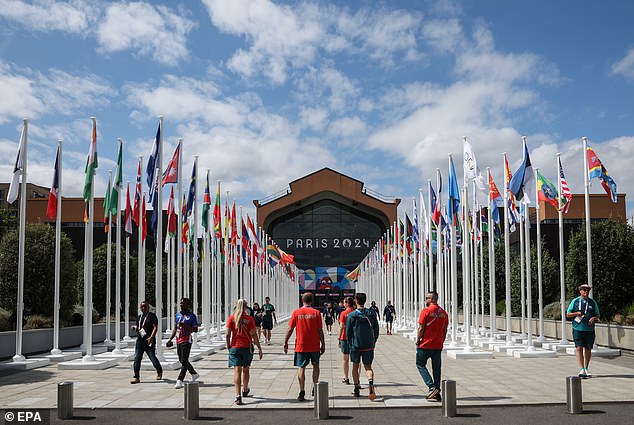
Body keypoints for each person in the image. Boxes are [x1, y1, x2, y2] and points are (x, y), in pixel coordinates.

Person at [283, 292, 325, 402]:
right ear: (312, 301)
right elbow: (320, 330)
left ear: (302, 300)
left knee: (301, 367)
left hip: (301, 345)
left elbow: (290, 329)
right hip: (314, 345)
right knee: (316, 366)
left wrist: (286, 342)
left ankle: (302, 391)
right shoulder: (316, 313)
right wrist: (323, 344)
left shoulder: (296, 313)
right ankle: (315, 387)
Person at [226, 299, 263, 405]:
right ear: (245, 307)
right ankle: (245, 389)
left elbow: (228, 334)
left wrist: (229, 346)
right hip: (246, 347)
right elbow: (254, 335)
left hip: (235, 347)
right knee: (246, 369)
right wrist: (260, 348)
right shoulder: (249, 319)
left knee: (237, 371)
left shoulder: (232, 318)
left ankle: (238, 396)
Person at [346, 292, 380, 400]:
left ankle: (356, 388)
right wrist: (373, 341)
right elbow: (376, 329)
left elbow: (348, 332)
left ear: (356, 300)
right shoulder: (371, 313)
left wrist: (349, 343)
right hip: (368, 345)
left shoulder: (351, 315)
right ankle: (370, 383)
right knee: (368, 366)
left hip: (356, 345)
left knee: (355, 366)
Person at [415, 291, 448, 402]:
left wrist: (418, 340)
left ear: (433, 299)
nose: (426, 300)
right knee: (436, 368)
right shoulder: (444, 313)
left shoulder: (426, 311)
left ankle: (432, 387)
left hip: (426, 344)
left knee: (420, 364)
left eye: (427, 298)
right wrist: (442, 341)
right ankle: (437, 391)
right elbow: (445, 330)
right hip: (438, 345)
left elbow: (421, 328)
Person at [566, 283, 600, 378]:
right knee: (578, 348)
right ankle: (581, 368)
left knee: (588, 349)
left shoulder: (592, 302)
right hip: (577, 328)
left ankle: (586, 368)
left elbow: (598, 315)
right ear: (580, 291)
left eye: (587, 290)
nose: (586, 292)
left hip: (589, 330)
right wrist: (576, 313)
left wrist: (594, 318)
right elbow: (568, 314)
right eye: (584, 290)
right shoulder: (575, 301)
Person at [167, 298, 199, 389]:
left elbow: (195, 329)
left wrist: (185, 325)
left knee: (184, 360)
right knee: (181, 360)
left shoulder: (192, 316)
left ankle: (180, 380)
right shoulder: (177, 315)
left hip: (186, 340)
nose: (181, 305)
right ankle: (194, 373)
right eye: (180, 303)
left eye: (183, 303)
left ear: (188, 305)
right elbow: (175, 328)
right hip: (178, 339)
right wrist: (170, 339)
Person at [130, 301, 163, 384]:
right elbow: (139, 327)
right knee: (137, 358)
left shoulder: (152, 316)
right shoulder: (139, 317)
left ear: (148, 307)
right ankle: (136, 376)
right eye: (142, 307)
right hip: (140, 341)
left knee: (152, 357)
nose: (143, 308)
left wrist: (151, 337)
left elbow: (155, 327)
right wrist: (135, 328)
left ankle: (159, 371)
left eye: (145, 306)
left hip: (149, 341)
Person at [338, 296, 355, 385]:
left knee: (345, 359)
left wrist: (339, 338)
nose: (343, 304)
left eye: (344, 303)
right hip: (355, 338)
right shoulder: (356, 312)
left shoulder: (343, 313)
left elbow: (341, 326)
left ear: (347, 303)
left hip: (345, 337)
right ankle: (357, 378)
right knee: (356, 360)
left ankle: (346, 377)